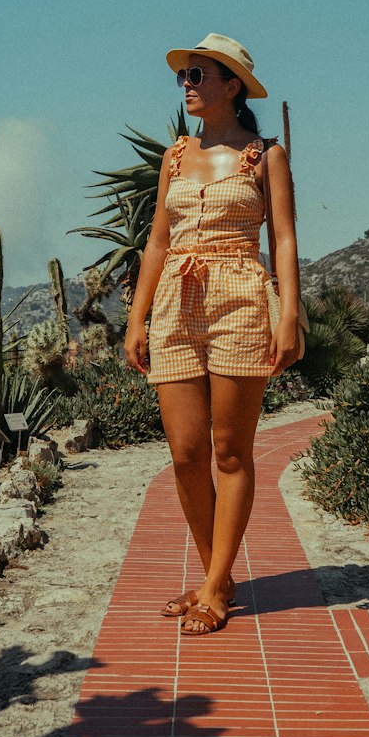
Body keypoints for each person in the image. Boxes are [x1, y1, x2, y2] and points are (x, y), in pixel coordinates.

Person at [125, 34, 303, 636]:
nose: (188, 83)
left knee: (229, 451)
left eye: (201, 74)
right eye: (185, 75)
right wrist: (137, 315)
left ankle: (213, 587)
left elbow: (283, 239)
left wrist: (289, 315)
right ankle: (215, 578)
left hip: (240, 298)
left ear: (232, 86)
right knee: (184, 455)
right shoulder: (175, 158)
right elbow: (157, 241)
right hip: (177, 300)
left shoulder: (265, 155)